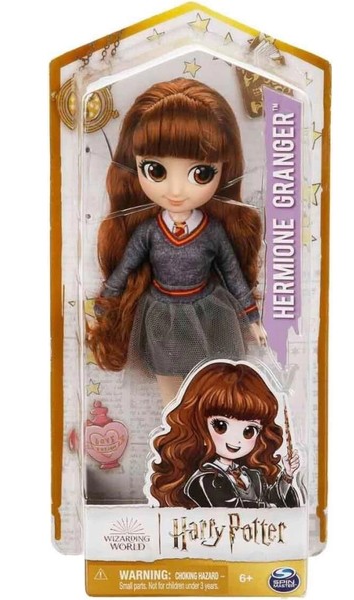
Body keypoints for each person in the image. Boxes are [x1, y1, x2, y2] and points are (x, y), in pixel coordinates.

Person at [88, 78, 266, 404]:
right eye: (156, 170)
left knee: (207, 386)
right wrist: (105, 302)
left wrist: (252, 318)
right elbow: (125, 268)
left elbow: (232, 274)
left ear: (223, 170)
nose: (175, 191)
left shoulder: (212, 231)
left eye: (200, 173)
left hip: (208, 313)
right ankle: (171, 430)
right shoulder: (149, 232)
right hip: (162, 316)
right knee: (169, 390)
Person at [150, 361, 300, 508]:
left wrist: (287, 475)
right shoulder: (204, 479)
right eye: (221, 426)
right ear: (200, 426)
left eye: (249, 431)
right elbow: (231, 507)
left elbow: (275, 500)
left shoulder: (252, 476)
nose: (235, 439)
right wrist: (269, 508)